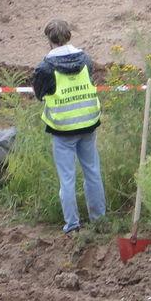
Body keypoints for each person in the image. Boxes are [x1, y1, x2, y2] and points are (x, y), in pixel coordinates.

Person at [32, 19, 106, 234]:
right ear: (69, 36)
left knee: (67, 178)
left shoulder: (45, 67)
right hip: (88, 123)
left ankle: (72, 225)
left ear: (49, 39)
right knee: (93, 172)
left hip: (63, 129)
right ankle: (99, 220)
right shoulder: (85, 60)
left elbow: (39, 94)